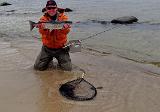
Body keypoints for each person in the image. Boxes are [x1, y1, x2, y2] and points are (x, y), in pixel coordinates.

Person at [34, 0, 72, 71]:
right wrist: (43, 28)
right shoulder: (43, 19)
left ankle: (60, 61)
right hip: (47, 48)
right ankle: (49, 59)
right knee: (37, 68)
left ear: (56, 8)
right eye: (49, 8)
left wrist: (64, 28)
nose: (51, 10)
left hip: (61, 48)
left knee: (68, 69)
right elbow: (42, 33)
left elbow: (66, 32)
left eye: (53, 8)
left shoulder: (63, 18)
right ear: (46, 9)